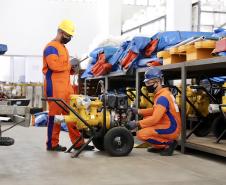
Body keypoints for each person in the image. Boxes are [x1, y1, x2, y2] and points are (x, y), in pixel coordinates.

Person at [42, 20, 94, 152]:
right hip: (54, 87)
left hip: (66, 87)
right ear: (60, 31)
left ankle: (78, 143)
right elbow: (54, 66)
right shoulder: (51, 47)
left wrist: (72, 69)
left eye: (70, 36)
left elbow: (64, 68)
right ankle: (52, 144)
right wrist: (70, 65)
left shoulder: (63, 48)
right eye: (67, 35)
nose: (69, 38)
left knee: (73, 114)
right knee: (55, 116)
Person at [127, 67, 181, 156]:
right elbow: (155, 110)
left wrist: (136, 123)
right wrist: (138, 111)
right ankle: (159, 146)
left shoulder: (163, 97)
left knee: (141, 134)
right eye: (146, 83)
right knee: (146, 119)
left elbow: (155, 119)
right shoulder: (163, 93)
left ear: (158, 82)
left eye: (149, 83)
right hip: (169, 124)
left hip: (171, 128)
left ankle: (168, 144)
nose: (147, 85)